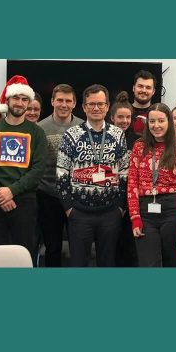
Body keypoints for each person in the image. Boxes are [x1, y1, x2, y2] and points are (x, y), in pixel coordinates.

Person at [57, 84, 129, 267]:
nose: (96, 108)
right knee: (78, 263)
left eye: (100, 104)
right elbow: (61, 173)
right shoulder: (71, 135)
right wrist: (68, 208)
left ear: (107, 106)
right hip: (79, 213)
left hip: (110, 213)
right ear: (84, 107)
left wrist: (120, 207)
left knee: (107, 263)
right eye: (91, 104)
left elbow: (125, 172)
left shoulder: (118, 134)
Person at [0, 75, 47, 256]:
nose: (20, 103)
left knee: (22, 255)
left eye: (24, 99)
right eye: (16, 98)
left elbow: (38, 170)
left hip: (24, 203)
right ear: (7, 100)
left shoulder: (37, 133)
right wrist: (0, 194)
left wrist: (11, 191)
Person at [127, 103, 176, 267]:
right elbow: (132, 184)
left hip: (173, 210)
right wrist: (135, 217)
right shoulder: (139, 147)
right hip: (145, 211)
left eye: (161, 121)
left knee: (173, 263)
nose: (156, 126)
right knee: (148, 264)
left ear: (169, 122)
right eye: (152, 121)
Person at [36, 84, 83, 267]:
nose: (64, 104)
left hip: (77, 198)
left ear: (74, 103)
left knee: (78, 247)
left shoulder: (83, 127)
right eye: (60, 100)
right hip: (48, 196)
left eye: (68, 101)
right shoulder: (40, 128)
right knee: (52, 247)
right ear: (52, 101)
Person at [109, 90, 140, 267]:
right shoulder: (103, 138)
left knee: (130, 246)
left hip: (131, 200)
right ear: (112, 118)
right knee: (111, 246)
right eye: (120, 117)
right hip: (109, 199)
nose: (125, 121)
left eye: (128, 117)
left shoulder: (137, 141)